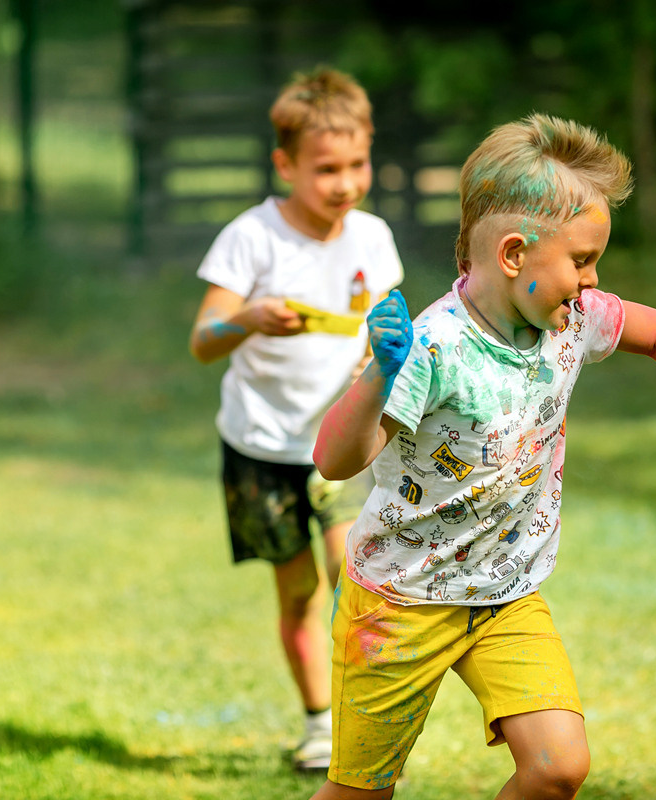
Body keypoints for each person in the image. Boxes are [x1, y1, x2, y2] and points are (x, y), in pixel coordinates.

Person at [309, 113, 656, 799]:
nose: (594, 279)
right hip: (399, 601)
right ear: (512, 255)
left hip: (506, 595)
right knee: (361, 793)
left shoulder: (572, 319)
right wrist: (379, 375)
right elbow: (334, 460)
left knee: (558, 768)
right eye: (582, 260)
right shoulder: (433, 347)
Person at [189, 67, 403, 772]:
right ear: (285, 165)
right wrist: (247, 320)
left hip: (338, 441)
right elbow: (202, 341)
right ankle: (318, 723)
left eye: (357, 165)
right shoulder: (250, 238)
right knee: (299, 591)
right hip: (258, 444)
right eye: (326, 170)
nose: (345, 184)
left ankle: (363, 719)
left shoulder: (371, 237)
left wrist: (384, 360)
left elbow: (389, 324)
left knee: (353, 575)